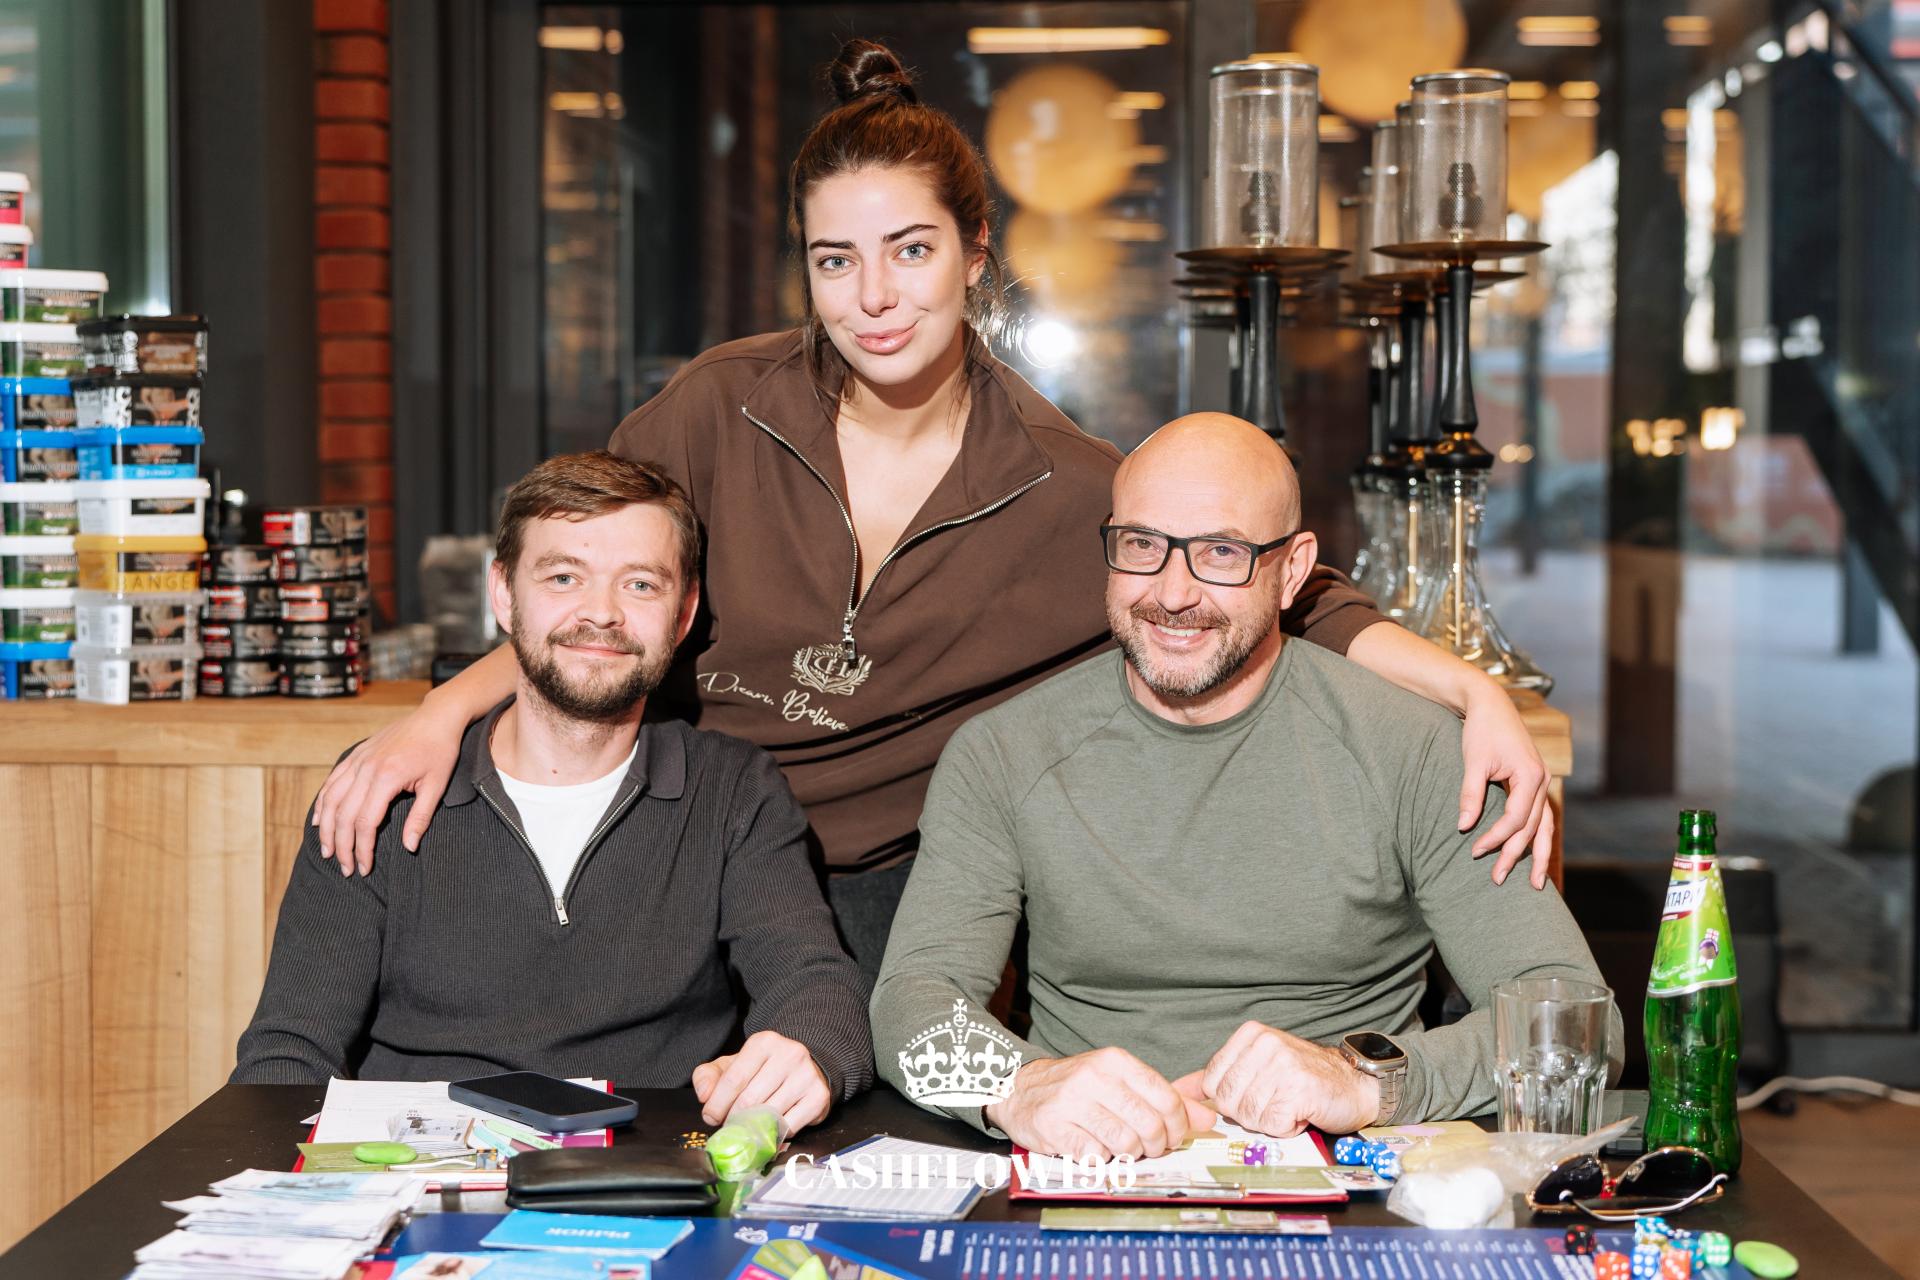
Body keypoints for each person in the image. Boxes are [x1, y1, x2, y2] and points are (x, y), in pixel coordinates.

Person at [307, 39, 1555, 986]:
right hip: (680, 847)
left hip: (890, 897)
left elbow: (1287, 586)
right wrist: (438, 715)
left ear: (974, 251)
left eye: (909, 250)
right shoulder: (716, 408)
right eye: (835, 260)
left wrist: (1472, 692)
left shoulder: (1066, 483)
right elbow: (582, 593)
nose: (873, 298)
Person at [870, 415, 1621, 1158]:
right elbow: (912, 999)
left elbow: (1579, 1028)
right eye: (1142, 546)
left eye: (1221, 553)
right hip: (1085, 1166)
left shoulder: (1417, 748)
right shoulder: (1003, 753)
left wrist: (1364, 1081)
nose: (1172, 593)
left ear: (1292, 571)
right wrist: (1019, 1085)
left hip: (1348, 1168)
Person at [233, 453, 872, 1136]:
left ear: (683, 614)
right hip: (416, 1168)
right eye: (564, 577)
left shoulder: (732, 791)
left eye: (640, 585)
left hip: (648, 1166)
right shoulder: (382, 790)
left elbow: (814, 984)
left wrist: (806, 1052)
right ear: (504, 594)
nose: (601, 613)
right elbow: (288, 1051)